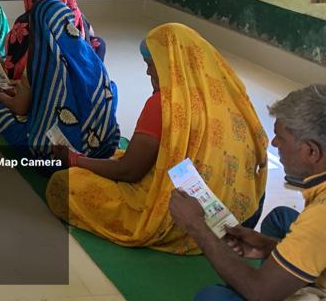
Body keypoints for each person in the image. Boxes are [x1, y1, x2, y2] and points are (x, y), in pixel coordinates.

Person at [46, 23, 268, 254]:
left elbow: (129, 172)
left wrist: (74, 159)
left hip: (184, 219)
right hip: (242, 213)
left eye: (150, 65)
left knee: (65, 184)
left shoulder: (165, 106)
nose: (148, 73)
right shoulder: (229, 95)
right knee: (119, 155)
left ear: (169, 64)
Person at [173, 84, 325, 300]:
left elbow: (260, 292)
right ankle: (281, 271)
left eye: (281, 138)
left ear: (311, 151)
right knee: (280, 218)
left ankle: (274, 279)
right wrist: (269, 247)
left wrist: (196, 225)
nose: (274, 143)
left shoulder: (320, 216)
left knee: (212, 297)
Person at [0, 0, 119, 164]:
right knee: (109, 88)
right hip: (102, 146)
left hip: (57, 155)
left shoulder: (39, 62)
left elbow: (19, 108)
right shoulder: (87, 54)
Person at [4, 0, 105, 81]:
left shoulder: (27, 22)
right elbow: (91, 34)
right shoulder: (75, 14)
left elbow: (12, 61)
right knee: (99, 43)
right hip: (78, 78)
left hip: (45, 84)